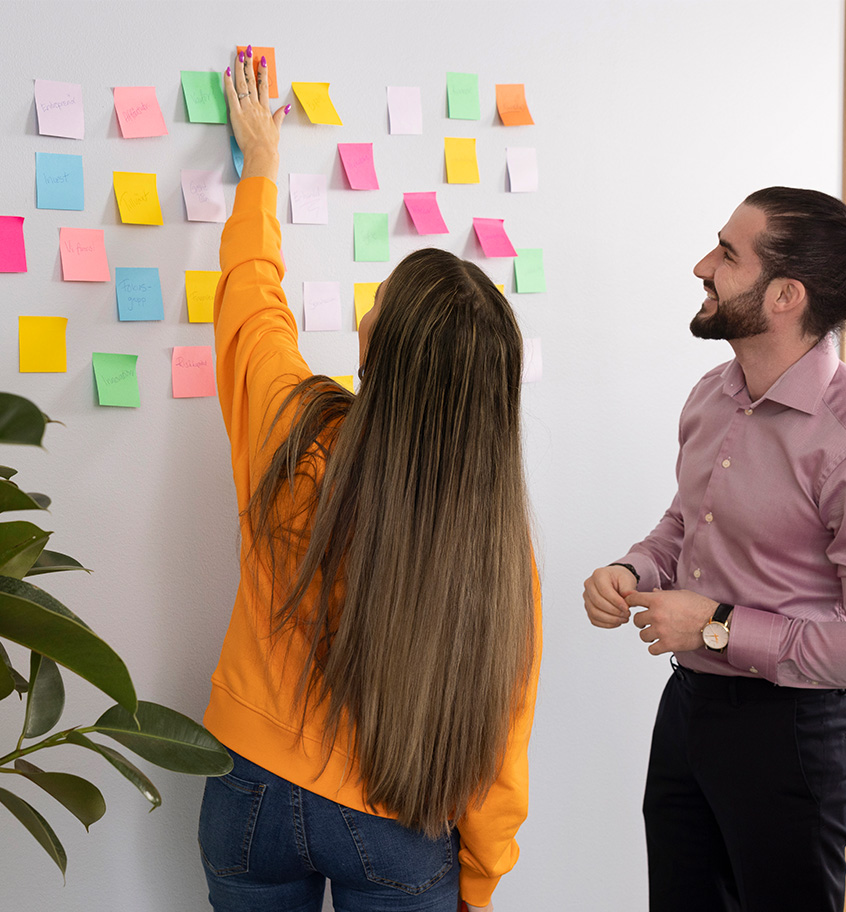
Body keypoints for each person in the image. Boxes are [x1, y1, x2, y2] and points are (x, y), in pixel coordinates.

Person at [197, 48, 541, 912]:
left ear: (375, 346)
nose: (366, 307)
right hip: (397, 819)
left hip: (250, 789)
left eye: (376, 302)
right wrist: (480, 880)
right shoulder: (497, 548)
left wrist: (260, 174)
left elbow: (250, 303)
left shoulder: (297, 429)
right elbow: (501, 750)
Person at [584, 187, 846, 912]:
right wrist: (631, 569)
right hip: (689, 707)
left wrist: (715, 624)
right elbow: (686, 523)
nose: (703, 265)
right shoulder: (711, 394)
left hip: (791, 737)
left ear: (786, 295)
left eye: (728, 256)